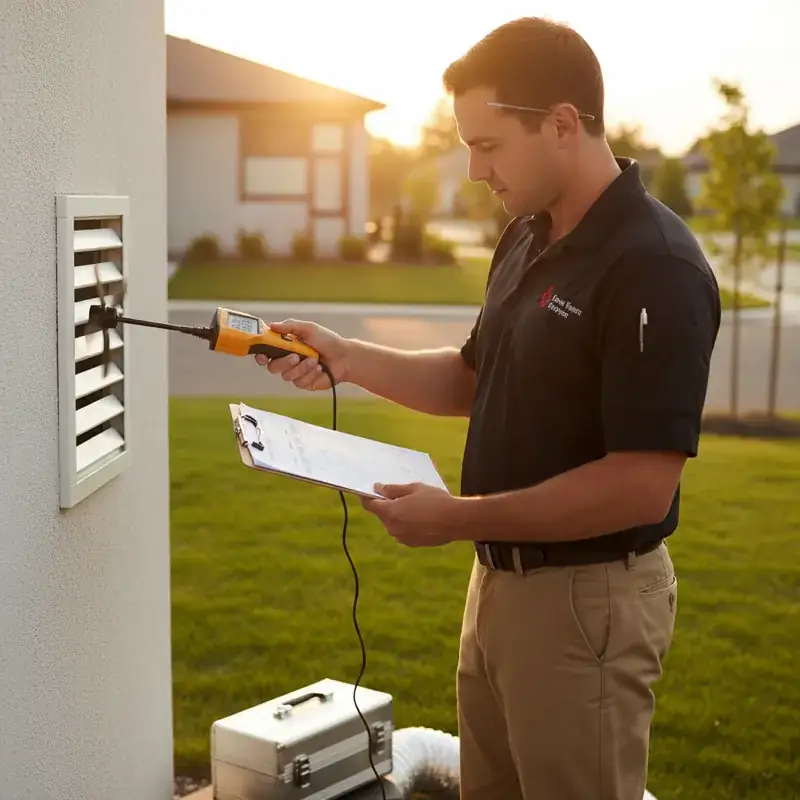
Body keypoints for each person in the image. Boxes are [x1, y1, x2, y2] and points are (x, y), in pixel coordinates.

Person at [256, 16, 721, 800]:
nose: (474, 169)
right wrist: (347, 355)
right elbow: (476, 377)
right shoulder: (527, 237)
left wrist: (458, 516)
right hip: (498, 589)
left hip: (588, 603)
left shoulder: (655, 266)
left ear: (564, 125)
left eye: (489, 145)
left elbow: (643, 485)